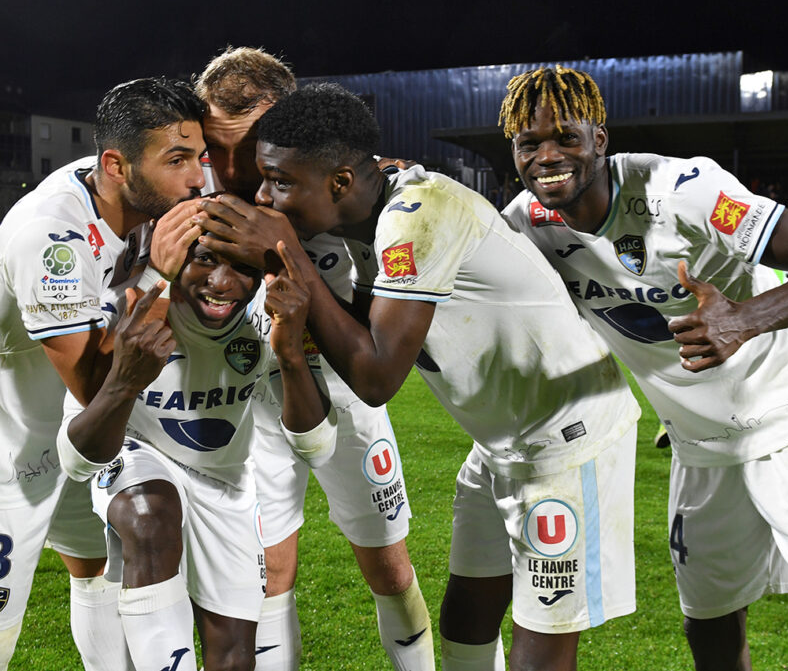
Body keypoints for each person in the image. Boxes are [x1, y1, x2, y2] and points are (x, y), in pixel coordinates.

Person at [197, 82, 641, 671]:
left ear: (340, 183)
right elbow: (356, 325)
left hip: (566, 438)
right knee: (466, 618)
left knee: (542, 640)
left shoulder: (419, 214)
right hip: (503, 442)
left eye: (280, 180)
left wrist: (287, 254)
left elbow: (378, 376)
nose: (264, 195)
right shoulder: (367, 210)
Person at [498, 66, 788, 670]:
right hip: (700, 445)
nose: (548, 156)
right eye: (529, 143)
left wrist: (744, 319)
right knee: (707, 624)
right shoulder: (526, 224)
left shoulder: (681, 188)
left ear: (599, 140)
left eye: (566, 138)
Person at [0, 77, 206, 671]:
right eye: (178, 160)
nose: (197, 179)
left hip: (74, 437)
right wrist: (158, 275)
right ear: (116, 164)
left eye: (200, 157)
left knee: (96, 572)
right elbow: (95, 385)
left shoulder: (132, 191)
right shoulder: (50, 236)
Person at [194, 47, 432, 670]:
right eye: (216, 147)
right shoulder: (194, 194)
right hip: (254, 404)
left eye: (246, 148)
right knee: (269, 571)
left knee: (385, 562)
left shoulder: (349, 190)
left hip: (346, 395)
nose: (231, 167)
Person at [57, 235, 333, 671]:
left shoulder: (274, 312)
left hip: (225, 480)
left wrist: (292, 354)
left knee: (233, 652)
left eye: (241, 265)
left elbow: (316, 447)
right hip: (137, 449)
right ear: (174, 260)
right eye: (204, 260)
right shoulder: (133, 309)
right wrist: (124, 381)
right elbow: (75, 461)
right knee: (149, 513)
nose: (222, 282)